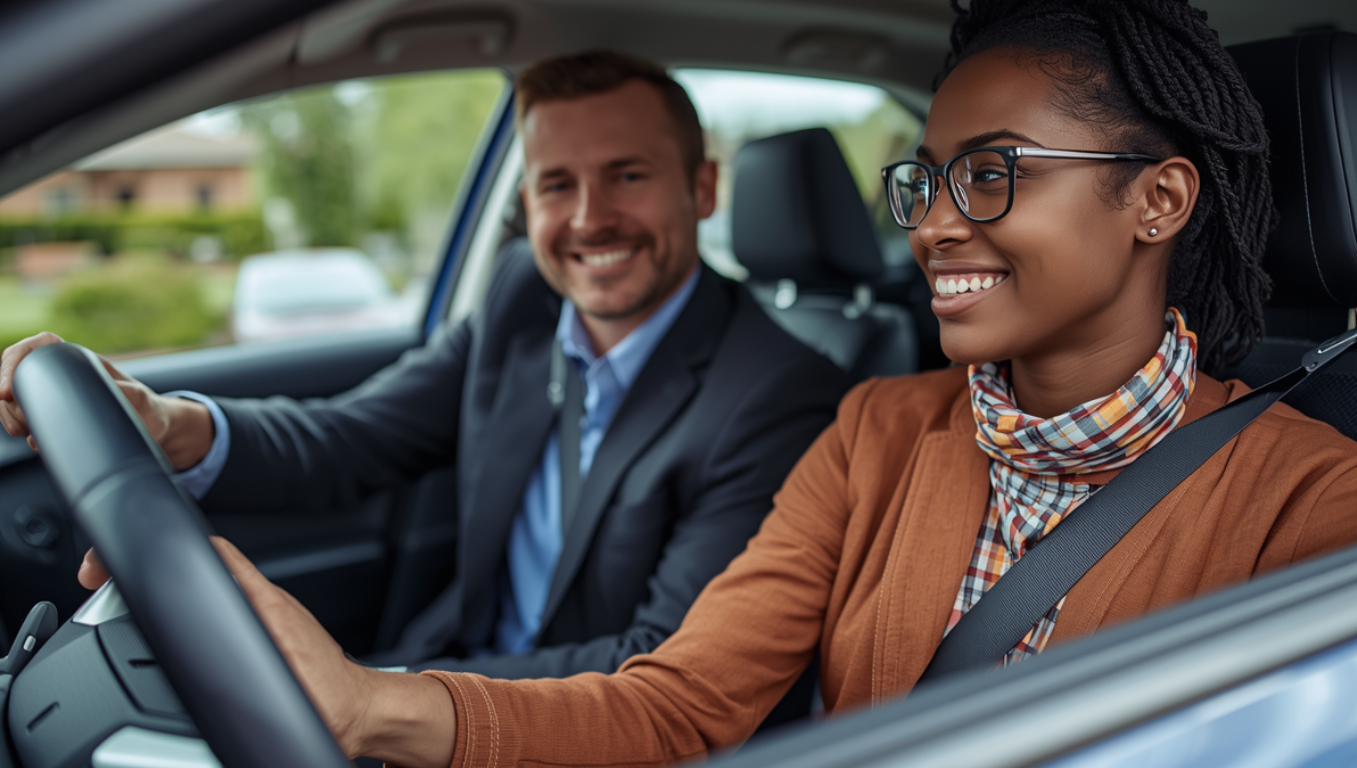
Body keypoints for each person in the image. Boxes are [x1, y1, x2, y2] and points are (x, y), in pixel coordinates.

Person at [37, 0, 1357, 765]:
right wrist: (371, 706)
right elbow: (679, 703)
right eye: (925, 177)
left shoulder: (1319, 514)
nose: (932, 225)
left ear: (1158, 200)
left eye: (992, 175)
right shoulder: (879, 427)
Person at [0, 51, 849, 683]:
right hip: (441, 667)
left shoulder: (779, 394)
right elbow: (357, 436)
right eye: (557, 185)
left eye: (627, 175)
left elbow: (658, 662)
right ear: (526, 204)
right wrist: (177, 426)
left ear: (701, 189)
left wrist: (385, 699)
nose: (590, 219)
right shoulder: (524, 295)